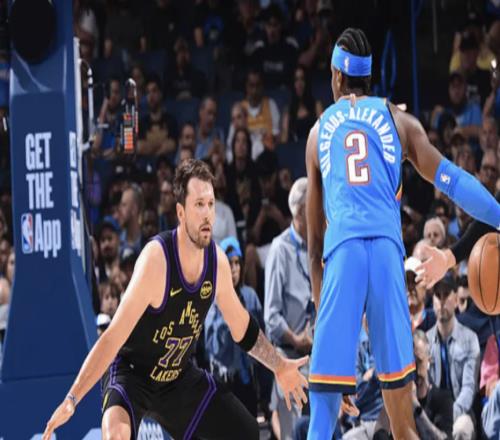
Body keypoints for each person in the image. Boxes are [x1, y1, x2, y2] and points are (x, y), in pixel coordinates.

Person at [305, 27, 500, 440]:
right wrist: (498, 215)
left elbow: (314, 245)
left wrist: (328, 338)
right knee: (402, 422)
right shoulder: (399, 120)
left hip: (343, 254)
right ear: (368, 77)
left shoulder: (318, 132)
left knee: (322, 418)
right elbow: (452, 180)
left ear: (336, 76)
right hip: (387, 258)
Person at [42, 159, 308, 440]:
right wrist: (72, 399)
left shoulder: (216, 262)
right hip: (132, 374)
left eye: (211, 204)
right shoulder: (157, 260)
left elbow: (242, 327)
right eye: (199, 205)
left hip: (177, 377)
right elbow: (112, 338)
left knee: (246, 432)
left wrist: (279, 365)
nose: (207, 214)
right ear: (181, 212)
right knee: (116, 436)